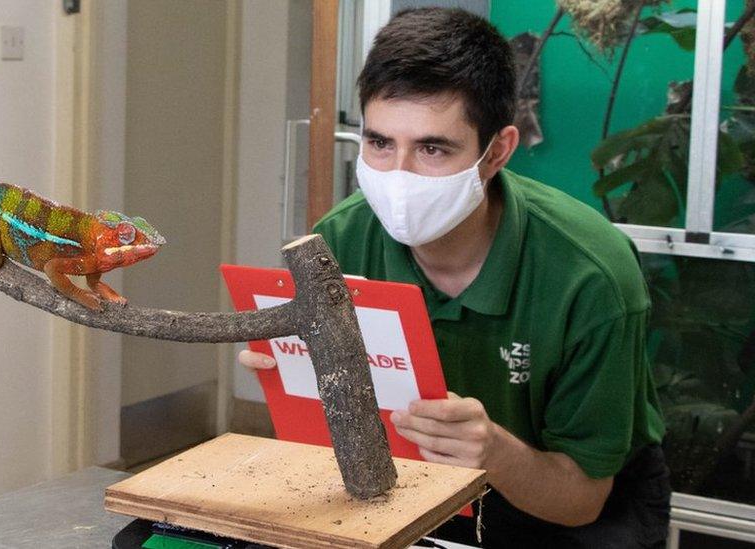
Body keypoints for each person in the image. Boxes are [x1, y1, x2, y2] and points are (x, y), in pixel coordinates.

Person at [238, 7, 671, 548]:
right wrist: (296, 372)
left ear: (497, 152)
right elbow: (334, 432)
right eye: (379, 143)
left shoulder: (589, 274)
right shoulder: (339, 244)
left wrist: (493, 453)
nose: (398, 178)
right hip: (418, 484)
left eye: (433, 148)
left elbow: (582, 501)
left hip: (573, 504)